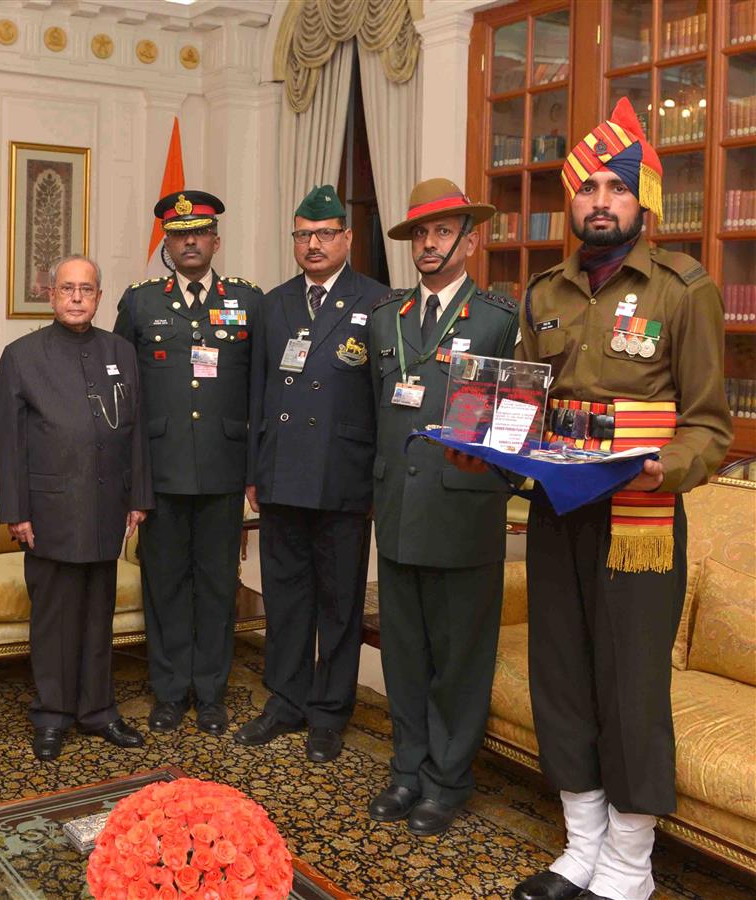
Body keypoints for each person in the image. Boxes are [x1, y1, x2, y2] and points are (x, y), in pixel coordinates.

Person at [448, 99, 731, 900]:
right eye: (586, 188)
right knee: (562, 678)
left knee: (631, 688)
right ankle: (582, 843)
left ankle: (629, 863)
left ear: (643, 200)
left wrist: (660, 468)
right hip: (557, 514)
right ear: (570, 202)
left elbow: (710, 425)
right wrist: (492, 454)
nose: (599, 201)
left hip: (639, 523)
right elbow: (527, 408)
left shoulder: (684, 289)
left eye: (615, 186)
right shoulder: (543, 292)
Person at [366, 179, 520, 837]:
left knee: (459, 658)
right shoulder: (387, 318)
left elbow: (518, 417)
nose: (428, 244)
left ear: (470, 238)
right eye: (420, 234)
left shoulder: (498, 318)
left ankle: (447, 782)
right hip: (398, 509)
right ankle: (407, 771)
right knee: (404, 653)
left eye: (442, 232)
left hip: (463, 512)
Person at [239, 184, 388, 759]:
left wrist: (377, 475)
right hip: (280, 473)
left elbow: (381, 395)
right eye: (303, 235)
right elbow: (257, 393)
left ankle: (329, 711)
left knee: (338, 600)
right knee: (286, 596)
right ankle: (285, 700)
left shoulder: (377, 300)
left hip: (343, 474)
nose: (314, 244)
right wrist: (254, 469)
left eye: (325, 234)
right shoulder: (272, 303)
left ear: (346, 238)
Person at [0, 255, 155, 761]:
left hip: (107, 505)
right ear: (51, 295)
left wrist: (138, 498)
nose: (78, 298)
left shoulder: (120, 351)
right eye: (68, 289)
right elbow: (9, 443)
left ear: (100, 297)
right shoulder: (21, 355)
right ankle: (52, 714)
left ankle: (98, 710)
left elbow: (136, 431)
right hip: (48, 510)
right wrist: (16, 511)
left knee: (96, 613)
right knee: (54, 617)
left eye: (87, 289)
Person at [113, 190, 262, 736]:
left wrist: (253, 471)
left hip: (223, 469)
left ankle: (213, 693)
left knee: (219, 584)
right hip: (161, 468)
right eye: (179, 236)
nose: (190, 242)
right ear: (167, 245)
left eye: (199, 233)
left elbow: (259, 388)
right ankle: (171, 691)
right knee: (167, 584)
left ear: (215, 241)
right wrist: (131, 475)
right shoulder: (140, 301)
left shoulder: (247, 299)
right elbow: (122, 388)